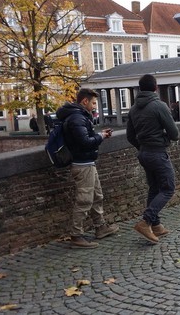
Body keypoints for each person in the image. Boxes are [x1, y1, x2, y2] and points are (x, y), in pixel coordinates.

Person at [56, 88, 119, 249]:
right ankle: (76, 235)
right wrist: (101, 136)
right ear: (84, 101)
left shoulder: (80, 116)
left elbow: (84, 137)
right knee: (85, 200)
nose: (94, 106)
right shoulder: (77, 118)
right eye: (92, 103)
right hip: (82, 165)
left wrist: (99, 134)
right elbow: (84, 142)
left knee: (97, 195)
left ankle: (100, 227)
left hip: (88, 163)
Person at [126, 74, 180, 243]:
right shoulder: (159, 106)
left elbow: (130, 136)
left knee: (154, 188)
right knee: (168, 188)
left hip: (143, 153)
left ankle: (155, 225)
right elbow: (175, 134)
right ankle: (146, 221)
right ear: (155, 87)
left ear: (140, 88)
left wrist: (141, 146)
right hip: (157, 152)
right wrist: (162, 139)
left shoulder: (133, 109)